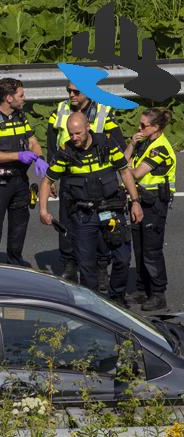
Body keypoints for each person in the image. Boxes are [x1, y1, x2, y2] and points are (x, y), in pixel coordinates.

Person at [38, 112, 143, 305]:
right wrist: (43, 210)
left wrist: (135, 202)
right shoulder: (66, 152)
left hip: (111, 209)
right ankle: (93, 306)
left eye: (78, 133)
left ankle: (117, 299)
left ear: (88, 128)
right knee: (86, 265)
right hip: (84, 215)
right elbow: (46, 181)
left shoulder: (108, 144)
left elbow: (125, 172)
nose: (74, 138)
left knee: (122, 257)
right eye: (71, 134)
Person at [47, 81, 125, 285]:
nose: (71, 95)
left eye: (76, 91)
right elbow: (51, 144)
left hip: (97, 176)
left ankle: (101, 266)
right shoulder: (61, 110)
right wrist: (52, 175)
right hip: (69, 173)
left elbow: (117, 142)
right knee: (67, 223)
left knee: (99, 224)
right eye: (68, 91)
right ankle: (69, 265)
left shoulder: (103, 112)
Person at [0, 78, 46, 265]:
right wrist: (18, 156)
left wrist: (39, 157)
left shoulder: (21, 116)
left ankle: (15, 263)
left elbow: (33, 141)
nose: (24, 99)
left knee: (19, 226)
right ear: (8, 98)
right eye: (21, 95)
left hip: (20, 181)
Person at [123, 108, 176, 311]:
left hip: (154, 204)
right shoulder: (144, 142)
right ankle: (142, 288)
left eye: (144, 125)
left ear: (156, 127)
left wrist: (125, 168)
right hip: (139, 201)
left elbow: (134, 173)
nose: (139, 127)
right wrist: (132, 143)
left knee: (151, 250)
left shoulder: (160, 148)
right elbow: (123, 161)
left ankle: (157, 293)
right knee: (139, 247)